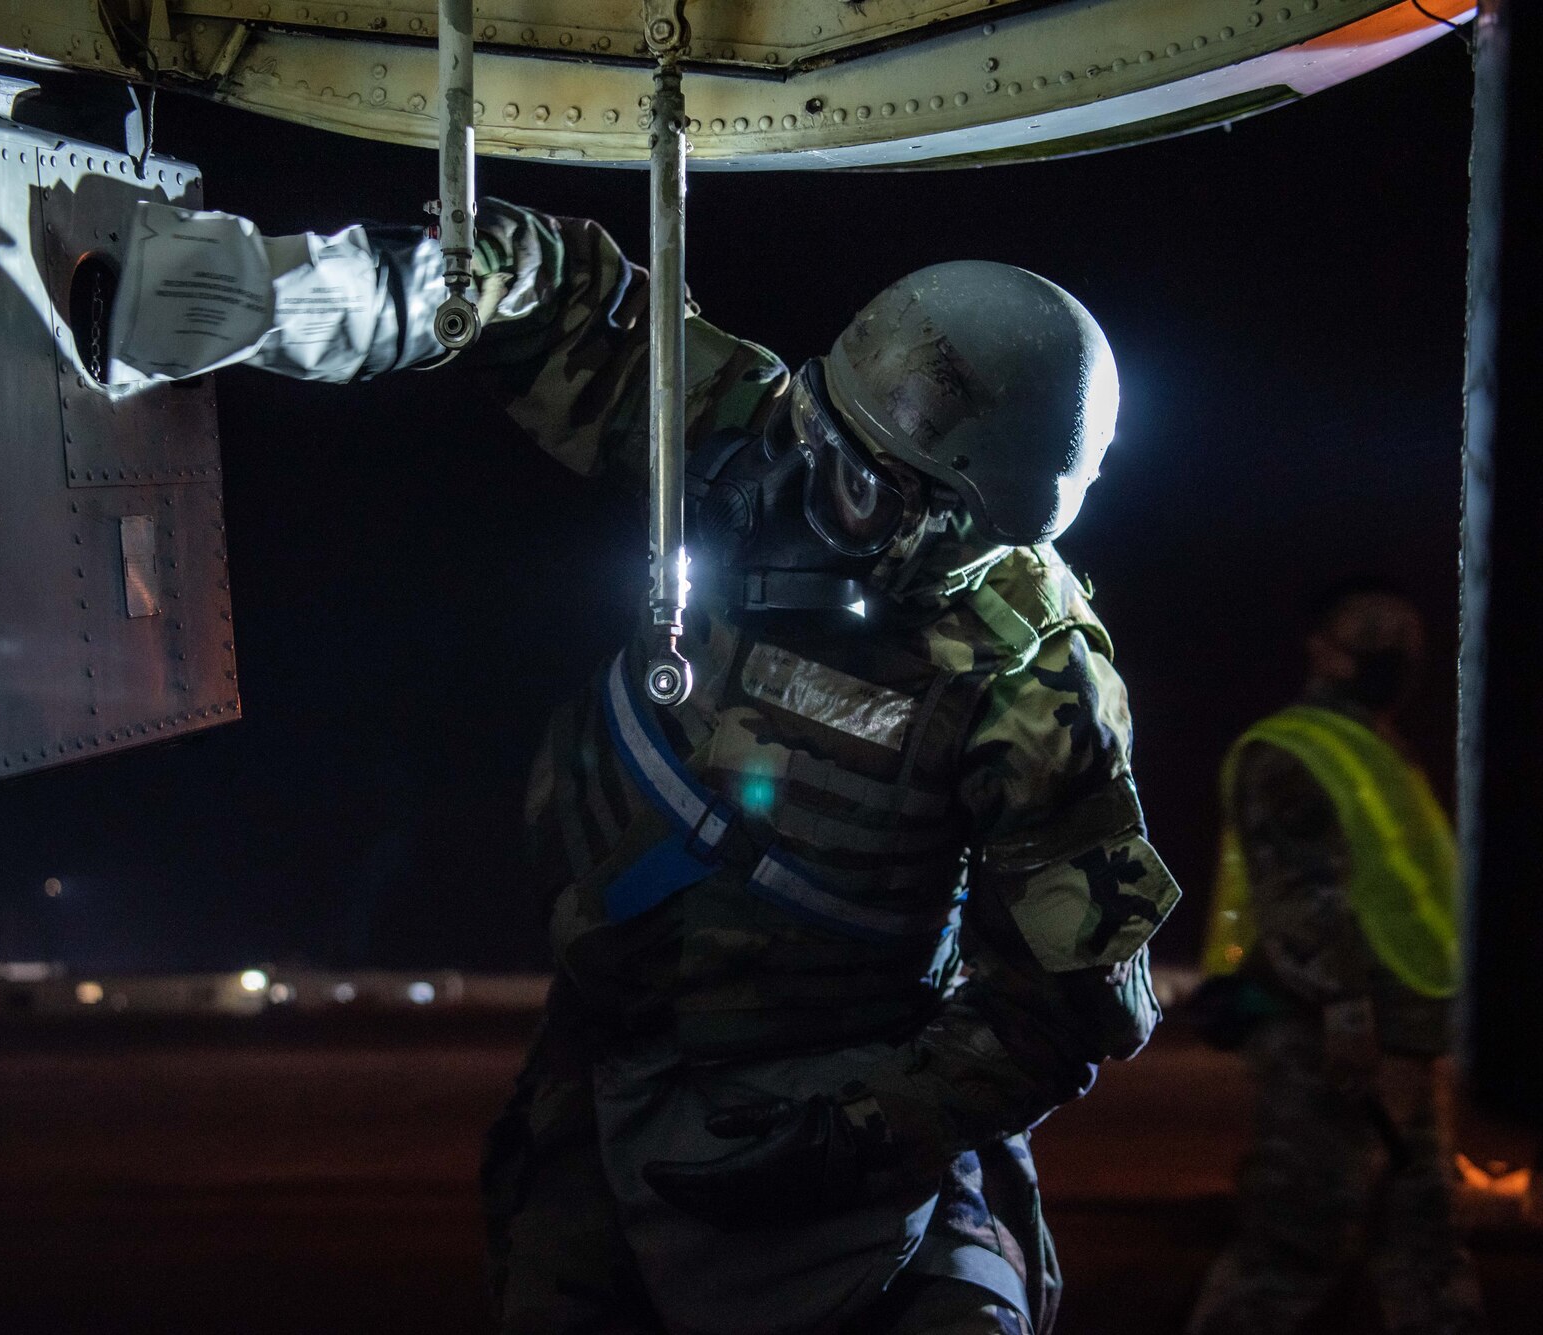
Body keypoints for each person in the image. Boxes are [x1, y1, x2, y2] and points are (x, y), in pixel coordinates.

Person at [114, 201, 1181, 1333]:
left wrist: (861, 1136)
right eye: (814, 433)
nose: (796, 494)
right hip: (603, 1062)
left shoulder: (1031, 686)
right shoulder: (747, 438)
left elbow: (1068, 1005)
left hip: (821, 1106)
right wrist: (312, 295)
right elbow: (560, 295)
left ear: (963, 526)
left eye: (858, 490)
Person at [1188, 582, 1484, 1335]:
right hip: (1331, 1039)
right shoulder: (1293, 751)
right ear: (1320, 647)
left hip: (1402, 1035)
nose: (1393, 655)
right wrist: (1349, 1018)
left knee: (1424, 1249)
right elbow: (1304, 902)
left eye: (1404, 642)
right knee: (1296, 1246)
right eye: (1371, 639)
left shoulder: (1380, 747)